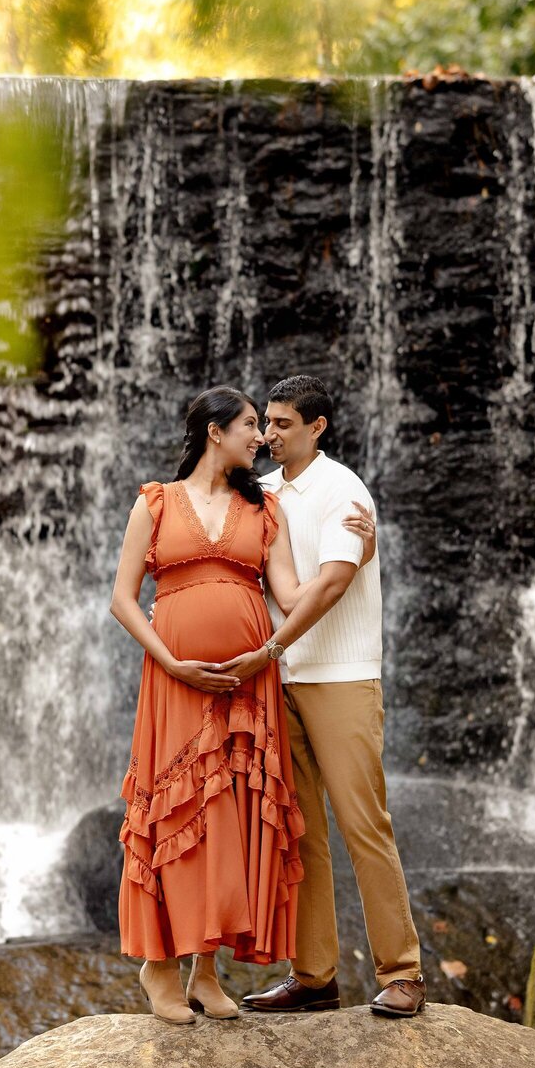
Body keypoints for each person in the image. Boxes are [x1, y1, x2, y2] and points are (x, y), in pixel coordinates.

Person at [109, 385, 374, 1024]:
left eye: (266, 424)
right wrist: (168, 659)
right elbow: (122, 598)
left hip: (246, 686)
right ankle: (161, 966)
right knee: (177, 813)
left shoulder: (264, 509)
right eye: (251, 424)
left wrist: (353, 554)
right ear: (214, 431)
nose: (260, 437)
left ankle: (207, 970)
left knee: (230, 815)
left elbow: (289, 591)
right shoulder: (155, 503)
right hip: (175, 678)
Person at [238, 374, 426, 1019]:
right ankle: (314, 976)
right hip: (278, 683)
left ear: (317, 427)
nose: (268, 434)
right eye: (266, 421)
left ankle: (403, 973)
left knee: (362, 825)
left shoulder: (343, 488)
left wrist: (270, 645)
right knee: (300, 833)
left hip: (339, 675)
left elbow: (332, 584)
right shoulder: (258, 493)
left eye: (283, 423)